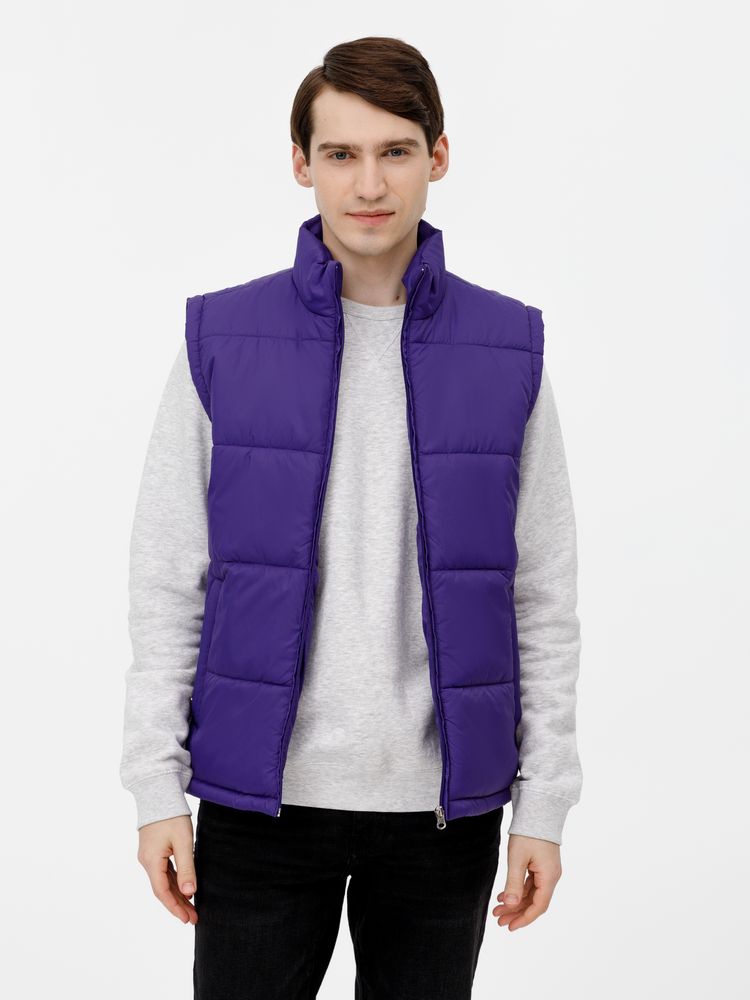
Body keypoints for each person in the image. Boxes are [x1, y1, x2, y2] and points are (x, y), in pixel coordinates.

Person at [120, 35, 583, 1000]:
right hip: (260, 803)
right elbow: (169, 579)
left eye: (395, 151)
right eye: (340, 154)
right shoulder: (222, 339)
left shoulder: (508, 348)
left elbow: (541, 594)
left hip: (444, 815)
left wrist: (544, 803)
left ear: (438, 156)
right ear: (302, 165)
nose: (369, 184)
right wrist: (155, 786)